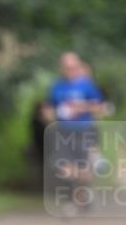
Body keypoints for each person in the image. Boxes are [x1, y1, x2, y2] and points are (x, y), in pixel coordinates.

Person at [42, 51, 107, 209]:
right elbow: (48, 107)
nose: (69, 70)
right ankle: (84, 189)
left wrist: (81, 107)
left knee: (82, 168)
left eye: (73, 66)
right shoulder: (57, 87)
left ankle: (78, 198)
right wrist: (48, 114)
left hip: (85, 130)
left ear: (78, 66)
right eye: (66, 67)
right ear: (61, 68)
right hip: (63, 132)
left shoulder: (87, 85)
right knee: (63, 167)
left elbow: (102, 108)